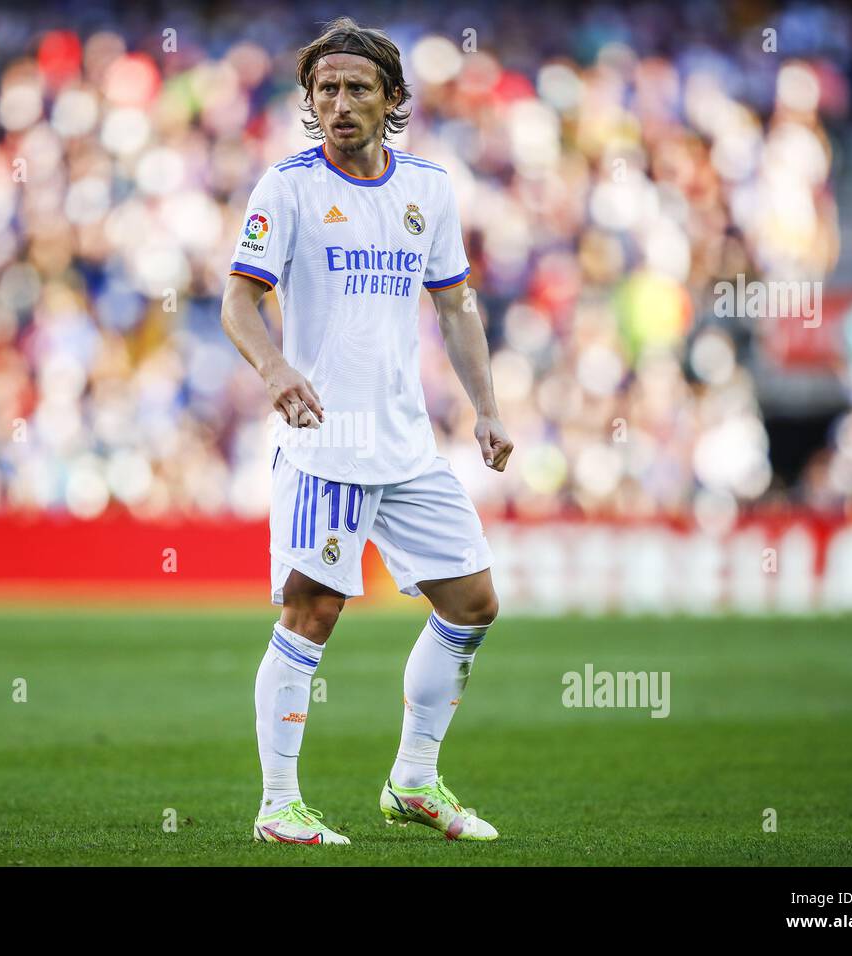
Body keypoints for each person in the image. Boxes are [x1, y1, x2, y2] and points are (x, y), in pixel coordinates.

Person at [220, 17, 513, 845]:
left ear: (391, 97)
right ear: (310, 102)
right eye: (325, 90)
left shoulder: (430, 188)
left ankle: (413, 782)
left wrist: (486, 408)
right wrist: (276, 372)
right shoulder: (288, 187)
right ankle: (279, 803)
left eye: (357, 88)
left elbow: (455, 304)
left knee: (473, 601)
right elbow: (237, 300)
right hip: (322, 445)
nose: (340, 103)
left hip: (406, 443)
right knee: (312, 612)